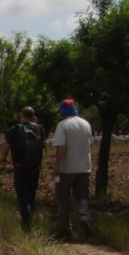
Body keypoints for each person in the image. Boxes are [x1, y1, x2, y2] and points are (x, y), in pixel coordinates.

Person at [52, 98, 94, 239]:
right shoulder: (86, 124)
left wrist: (57, 166)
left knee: (63, 199)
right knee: (82, 196)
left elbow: (61, 148)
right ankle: (84, 217)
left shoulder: (63, 125)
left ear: (63, 111)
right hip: (84, 169)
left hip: (66, 170)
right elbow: (90, 145)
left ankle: (65, 231)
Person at [2, 106, 47, 231]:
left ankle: (26, 224)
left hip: (20, 167)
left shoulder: (15, 129)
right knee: (31, 194)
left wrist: (4, 160)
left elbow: (6, 147)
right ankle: (29, 218)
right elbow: (43, 144)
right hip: (35, 167)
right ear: (33, 116)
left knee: (22, 196)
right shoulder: (40, 128)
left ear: (21, 115)